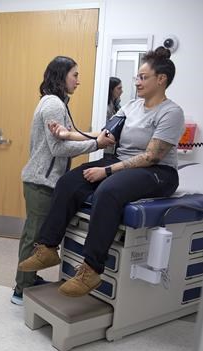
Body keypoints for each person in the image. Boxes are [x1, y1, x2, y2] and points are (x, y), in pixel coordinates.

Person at [18, 47, 184, 298]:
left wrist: (106, 170)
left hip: (158, 172)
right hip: (123, 163)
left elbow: (151, 156)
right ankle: (48, 247)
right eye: (137, 77)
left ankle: (91, 269)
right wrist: (66, 134)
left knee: (108, 191)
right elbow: (105, 135)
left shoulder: (171, 112)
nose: (137, 82)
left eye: (143, 77)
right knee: (69, 182)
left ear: (161, 79)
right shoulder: (131, 106)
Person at [11, 56, 115, 306]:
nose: (78, 81)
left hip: (43, 180)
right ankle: (21, 290)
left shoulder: (56, 102)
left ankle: (28, 279)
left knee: (35, 235)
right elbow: (58, 148)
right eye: (75, 75)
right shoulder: (54, 105)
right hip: (41, 181)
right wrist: (96, 144)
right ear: (61, 75)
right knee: (34, 237)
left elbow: (71, 134)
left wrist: (99, 135)